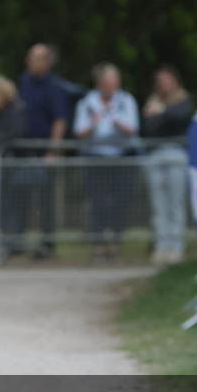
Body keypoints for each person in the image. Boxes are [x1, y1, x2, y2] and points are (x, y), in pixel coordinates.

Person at [9, 43, 74, 258]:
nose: (29, 61)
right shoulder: (23, 82)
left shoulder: (54, 86)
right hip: (22, 151)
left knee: (46, 200)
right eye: (29, 57)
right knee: (20, 197)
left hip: (43, 151)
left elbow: (60, 119)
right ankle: (16, 241)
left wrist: (53, 151)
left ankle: (46, 243)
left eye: (35, 57)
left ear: (46, 62)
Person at [73, 62, 139, 260]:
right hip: (95, 158)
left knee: (120, 201)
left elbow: (132, 129)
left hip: (120, 157)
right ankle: (99, 243)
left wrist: (115, 120)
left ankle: (116, 242)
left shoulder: (126, 101)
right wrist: (94, 124)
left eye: (115, 79)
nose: (114, 83)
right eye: (110, 79)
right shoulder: (87, 103)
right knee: (98, 202)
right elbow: (79, 131)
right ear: (100, 82)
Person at [142, 65, 194, 264]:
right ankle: (162, 245)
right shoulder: (152, 101)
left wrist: (161, 112)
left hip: (177, 155)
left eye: (167, 80)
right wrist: (164, 115)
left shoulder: (183, 100)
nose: (164, 84)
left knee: (175, 205)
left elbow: (180, 117)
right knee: (158, 206)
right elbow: (149, 127)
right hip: (156, 156)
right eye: (160, 81)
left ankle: (176, 246)